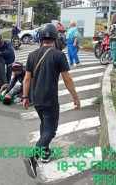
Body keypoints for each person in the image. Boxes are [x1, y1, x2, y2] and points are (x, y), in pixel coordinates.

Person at [22, 23, 80, 179]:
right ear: (55, 38)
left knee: (44, 124)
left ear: (40, 38)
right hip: (50, 99)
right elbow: (67, 79)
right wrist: (75, 96)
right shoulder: (59, 55)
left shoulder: (32, 55)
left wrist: (25, 97)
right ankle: (33, 156)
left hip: (36, 98)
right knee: (50, 130)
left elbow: (27, 78)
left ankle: (45, 153)